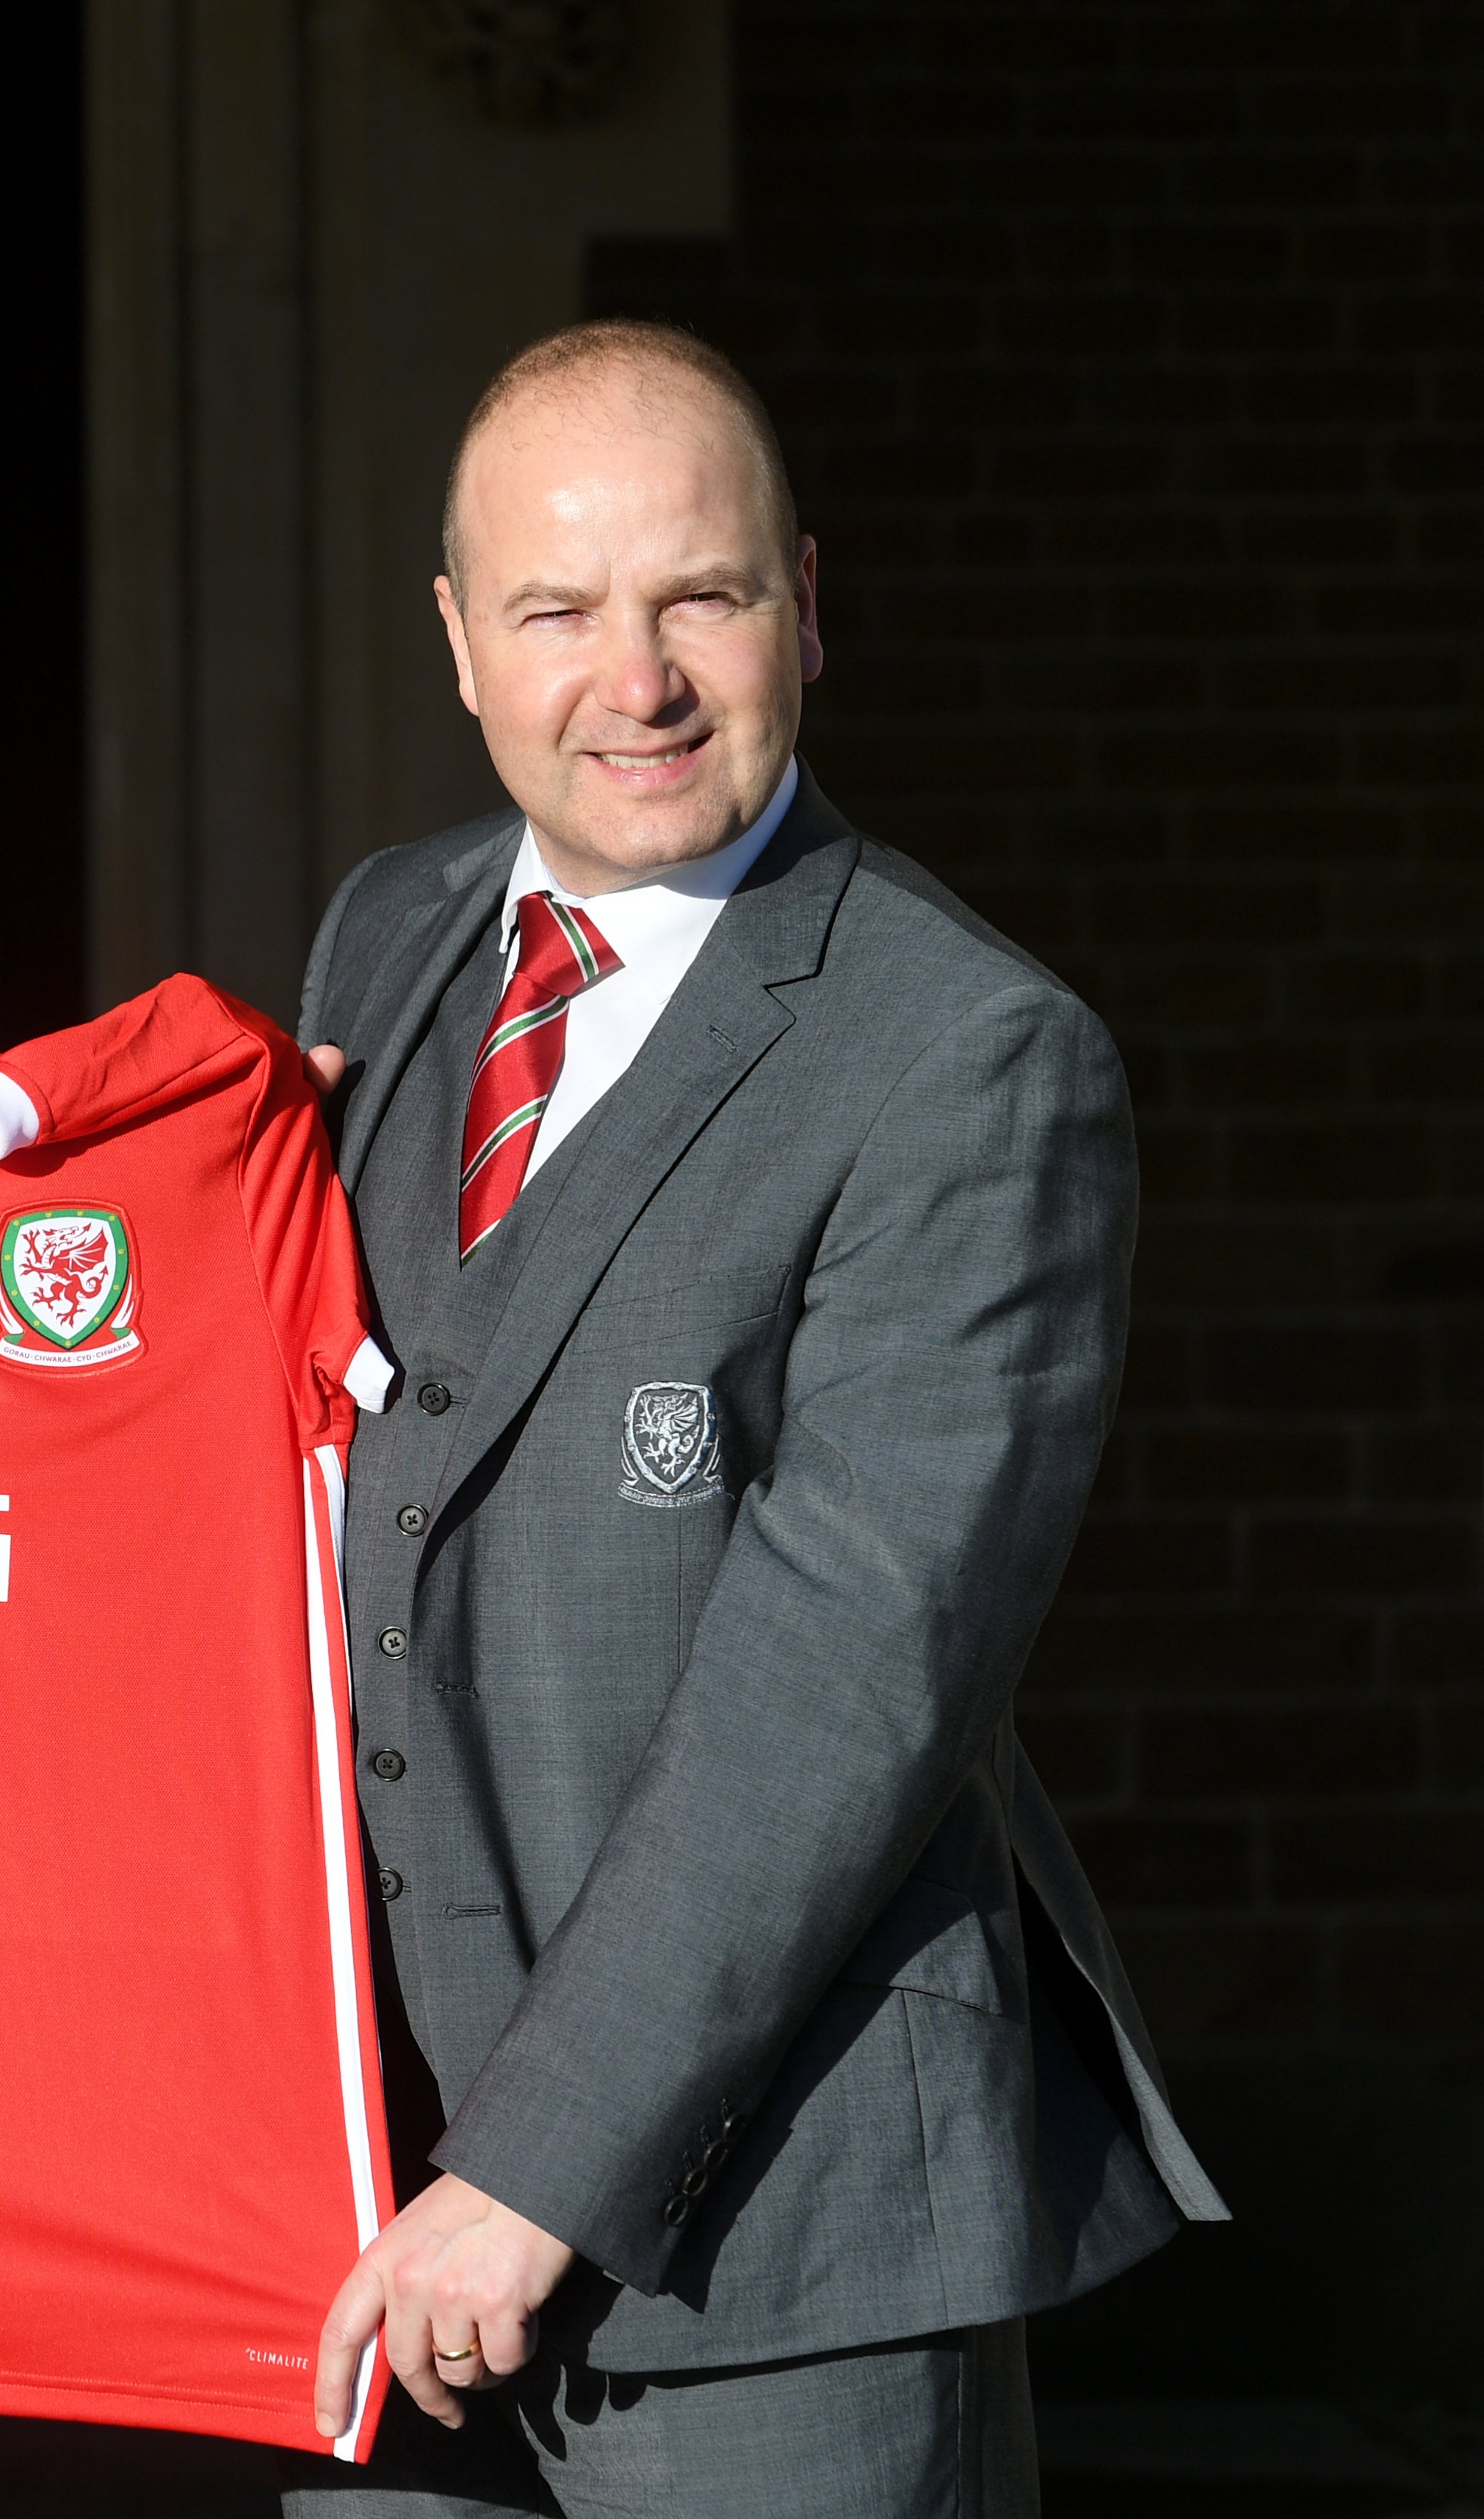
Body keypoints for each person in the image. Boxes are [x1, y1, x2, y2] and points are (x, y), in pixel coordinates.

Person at [283, 321, 1227, 2518]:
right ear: (455, 644)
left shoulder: (969, 1055)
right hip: (366, 2227)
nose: (640, 679)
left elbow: (849, 1678)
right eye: (557, 612)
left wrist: (530, 2174)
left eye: (700, 596)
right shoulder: (390, 936)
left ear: (807, 599)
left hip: (775, 2250)